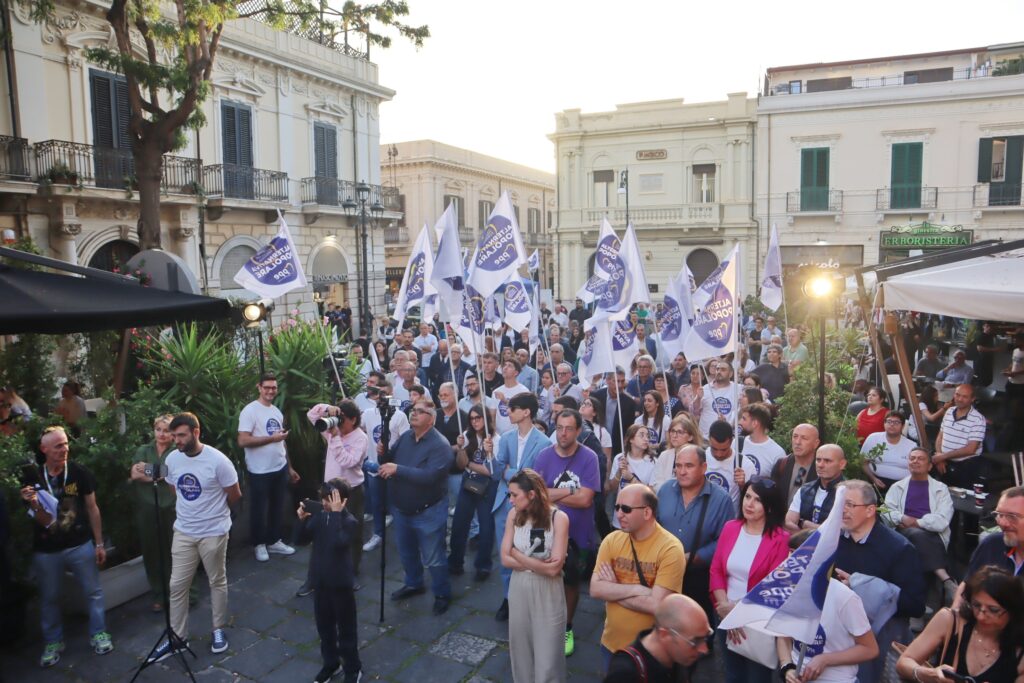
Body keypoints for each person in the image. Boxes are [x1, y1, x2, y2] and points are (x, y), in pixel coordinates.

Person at [146, 412, 241, 662]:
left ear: (196, 433)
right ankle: (178, 637)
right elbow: (173, 485)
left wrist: (216, 515)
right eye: (173, 435)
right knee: (177, 585)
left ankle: (218, 629)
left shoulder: (218, 461)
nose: (175, 440)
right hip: (184, 532)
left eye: (181, 435)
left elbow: (235, 494)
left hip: (213, 533)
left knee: (216, 581)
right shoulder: (173, 459)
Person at [21, 426, 113, 667]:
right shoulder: (33, 478)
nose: (65, 449)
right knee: (49, 598)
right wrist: (31, 502)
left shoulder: (79, 472)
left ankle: (99, 633)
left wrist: (99, 542)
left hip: (79, 544)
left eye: (66, 444)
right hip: (46, 549)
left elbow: (92, 508)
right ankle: (53, 641)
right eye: (58, 446)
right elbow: (37, 517)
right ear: (44, 449)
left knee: (93, 591)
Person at [834, 480, 926, 682]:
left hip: (879, 639)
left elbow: (915, 605)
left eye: (849, 504)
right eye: (839, 503)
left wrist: (865, 588)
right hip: (836, 636)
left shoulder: (899, 548)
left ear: (870, 510)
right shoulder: (833, 539)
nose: (842, 510)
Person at [591, 484, 686, 669]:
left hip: (652, 652)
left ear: (647, 512)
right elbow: (595, 589)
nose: (618, 514)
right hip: (612, 646)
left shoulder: (671, 548)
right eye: (617, 507)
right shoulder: (611, 540)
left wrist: (613, 590)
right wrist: (637, 589)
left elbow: (657, 606)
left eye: (626, 509)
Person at [533, 409, 602, 657]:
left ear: (578, 430)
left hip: (578, 533)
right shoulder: (543, 456)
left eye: (569, 428)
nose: (563, 433)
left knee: (571, 581)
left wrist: (552, 492)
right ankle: (543, 624)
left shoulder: (590, 457)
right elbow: (536, 495)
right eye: (559, 427)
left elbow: (586, 500)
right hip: (544, 529)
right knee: (540, 577)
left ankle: (567, 627)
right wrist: (572, 491)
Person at [378, 398, 454, 616]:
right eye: (413, 410)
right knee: (406, 551)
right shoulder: (406, 437)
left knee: (433, 556)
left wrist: (397, 469)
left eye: (420, 411)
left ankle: (442, 593)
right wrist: (383, 452)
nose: (414, 414)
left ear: (431, 419)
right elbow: (389, 460)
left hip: (428, 511)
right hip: (401, 509)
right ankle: (414, 583)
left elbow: (429, 476)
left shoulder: (440, 445)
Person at [711, 477, 790, 683]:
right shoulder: (730, 527)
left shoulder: (780, 539)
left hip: (756, 621)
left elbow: (772, 586)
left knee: (757, 678)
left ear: (770, 507)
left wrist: (737, 612)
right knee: (732, 675)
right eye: (747, 496)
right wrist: (725, 608)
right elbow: (716, 569)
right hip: (724, 612)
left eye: (757, 500)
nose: (749, 504)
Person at [775, 529, 878, 683]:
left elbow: (870, 649)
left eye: (801, 555)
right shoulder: (787, 589)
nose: (792, 560)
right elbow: (783, 635)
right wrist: (787, 666)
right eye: (791, 553)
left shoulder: (844, 597)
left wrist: (825, 659)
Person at [896, 565, 1024, 683]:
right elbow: (904, 661)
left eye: (993, 610)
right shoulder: (950, 620)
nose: (981, 615)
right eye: (976, 605)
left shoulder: (1019, 649)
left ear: (1013, 609)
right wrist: (929, 674)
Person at [501, 469, 570, 683]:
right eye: (509, 494)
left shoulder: (559, 518)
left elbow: (553, 570)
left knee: (548, 655)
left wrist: (516, 554)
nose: (510, 500)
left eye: (515, 495)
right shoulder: (513, 515)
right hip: (519, 587)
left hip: (548, 591)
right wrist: (536, 564)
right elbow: (504, 558)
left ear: (532, 494)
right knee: (521, 649)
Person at [657, 444, 734, 627]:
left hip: (700, 577)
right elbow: (655, 525)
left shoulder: (721, 499)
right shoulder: (665, 490)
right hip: (664, 573)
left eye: (689, 466)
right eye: (678, 465)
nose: (682, 471)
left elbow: (725, 543)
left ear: (704, 468)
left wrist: (693, 558)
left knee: (697, 631)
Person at [295, 479, 362, 683]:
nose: (325, 504)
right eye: (323, 499)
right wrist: (302, 520)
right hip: (321, 583)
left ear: (343, 501)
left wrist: (334, 515)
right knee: (325, 628)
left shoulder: (350, 522)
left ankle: (352, 667)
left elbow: (337, 543)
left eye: (330, 500)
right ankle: (331, 663)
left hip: (341, 584)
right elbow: (300, 540)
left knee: (346, 629)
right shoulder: (320, 516)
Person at [493, 393, 550, 621]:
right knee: (505, 553)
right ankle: (508, 598)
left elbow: (537, 477)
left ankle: (529, 599)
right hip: (505, 503)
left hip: (531, 507)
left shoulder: (544, 443)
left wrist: (512, 475)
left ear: (526, 412)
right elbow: (498, 469)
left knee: (530, 552)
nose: (508, 411)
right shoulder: (506, 438)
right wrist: (514, 475)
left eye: (513, 407)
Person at [882, 448, 957, 604]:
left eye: (920, 459)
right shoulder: (897, 487)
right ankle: (945, 578)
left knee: (917, 543)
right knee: (916, 536)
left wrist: (918, 522)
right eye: (912, 458)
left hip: (932, 534)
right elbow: (886, 512)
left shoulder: (941, 489)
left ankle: (918, 607)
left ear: (930, 466)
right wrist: (903, 517)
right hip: (903, 532)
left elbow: (942, 520)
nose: (915, 461)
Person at [304, 399, 367, 582]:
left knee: (352, 534)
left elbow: (348, 462)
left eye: (343, 419)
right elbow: (311, 415)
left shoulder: (360, 438)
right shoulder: (333, 429)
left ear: (354, 420)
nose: (339, 422)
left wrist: (335, 437)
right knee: (321, 532)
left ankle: (351, 572)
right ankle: (314, 577)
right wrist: (327, 408)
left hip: (351, 492)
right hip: (328, 491)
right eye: (337, 418)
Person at [237, 372, 298, 562]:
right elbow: (243, 440)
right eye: (267, 387)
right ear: (259, 387)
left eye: (274, 387)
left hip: (278, 468)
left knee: (277, 506)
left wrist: (289, 467)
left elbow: (282, 442)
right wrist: (272, 438)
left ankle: (274, 540)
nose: (271, 391)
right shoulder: (250, 411)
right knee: (258, 509)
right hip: (259, 470)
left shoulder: (275, 411)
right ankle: (259, 544)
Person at [129, 414, 185, 612]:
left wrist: (149, 470)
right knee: (152, 552)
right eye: (158, 429)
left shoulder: (178, 451)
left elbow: (170, 472)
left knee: (178, 551)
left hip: (172, 507)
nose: (162, 434)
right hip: (147, 508)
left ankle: (185, 593)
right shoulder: (143, 450)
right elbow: (135, 474)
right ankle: (159, 595)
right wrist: (158, 472)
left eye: (167, 430)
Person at [603, 593, 713, 683]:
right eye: (696, 641)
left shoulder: (682, 657)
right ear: (664, 635)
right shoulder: (624, 674)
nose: (704, 649)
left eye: (706, 637)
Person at [448, 404, 499, 582]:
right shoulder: (468, 437)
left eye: (478, 418)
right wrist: (461, 448)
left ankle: (483, 566)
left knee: (486, 528)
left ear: (486, 419)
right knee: (459, 524)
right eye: (472, 418)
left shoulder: (495, 439)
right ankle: (455, 562)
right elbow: (461, 464)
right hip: (468, 483)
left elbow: (490, 471)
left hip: (487, 486)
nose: (475, 421)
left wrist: (474, 461)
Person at [360, 383, 408, 553]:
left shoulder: (400, 416)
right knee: (376, 504)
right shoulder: (367, 414)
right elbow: (360, 430)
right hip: (374, 468)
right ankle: (378, 534)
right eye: (380, 395)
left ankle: (404, 537)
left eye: (387, 394)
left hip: (393, 469)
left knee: (396, 504)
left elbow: (405, 441)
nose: (383, 399)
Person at [963, 485, 1024, 584]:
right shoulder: (992, 544)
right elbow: (967, 584)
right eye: (1000, 514)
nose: (1003, 523)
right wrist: (957, 600)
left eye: (1012, 516)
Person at [933, 383, 987, 488]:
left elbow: (971, 449)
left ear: (972, 399)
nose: (959, 399)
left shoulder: (978, 419)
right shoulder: (949, 411)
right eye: (957, 395)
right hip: (944, 461)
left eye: (964, 396)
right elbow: (940, 436)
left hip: (965, 465)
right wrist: (939, 455)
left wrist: (942, 457)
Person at [785, 443, 845, 532]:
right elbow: (789, 523)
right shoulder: (805, 489)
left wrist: (805, 524)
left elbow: (844, 531)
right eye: (818, 460)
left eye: (827, 461)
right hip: (802, 544)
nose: (820, 465)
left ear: (842, 464)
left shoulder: (849, 493)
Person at [607, 425, 659, 528]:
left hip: (640, 520)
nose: (646, 439)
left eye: (647, 436)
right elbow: (612, 488)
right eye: (642, 435)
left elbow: (652, 493)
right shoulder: (620, 458)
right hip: (619, 519)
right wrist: (619, 472)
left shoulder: (652, 462)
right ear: (631, 439)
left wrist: (631, 478)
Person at [705, 421, 756, 512]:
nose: (719, 454)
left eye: (723, 450)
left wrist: (743, 486)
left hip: (730, 520)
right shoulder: (699, 458)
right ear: (709, 439)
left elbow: (755, 500)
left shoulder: (744, 464)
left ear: (732, 441)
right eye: (714, 449)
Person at [861, 411, 915, 491]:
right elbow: (863, 462)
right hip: (874, 481)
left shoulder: (911, 445)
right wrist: (873, 479)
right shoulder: (873, 438)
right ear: (884, 424)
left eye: (896, 422)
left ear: (903, 426)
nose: (892, 424)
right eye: (889, 421)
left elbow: (915, 470)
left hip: (902, 486)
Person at [591, 368, 639, 457]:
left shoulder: (629, 403)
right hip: (597, 445)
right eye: (616, 381)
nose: (620, 385)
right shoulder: (596, 396)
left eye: (622, 381)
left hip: (617, 449)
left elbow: (629, 429)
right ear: (608, 381)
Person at [771, 423, 820, 505]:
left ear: (816, 443)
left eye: (804, 438)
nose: (798, 442)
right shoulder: (782, 464)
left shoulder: (821, 468)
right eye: (795, 436)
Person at [651, 414, 702, 491]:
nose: (674, 435)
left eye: (680, 432)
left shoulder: (698, 456)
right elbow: (655, 484)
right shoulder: (664, 455)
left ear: (690, 437)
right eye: (672, 431)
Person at [737, 403, 785, 477]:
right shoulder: (737, 443)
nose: (740, 422)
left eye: (744, 419)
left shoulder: (777, 453)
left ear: (755, 423)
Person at [699, 360, 740, 439]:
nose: (719, 371)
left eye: (723, 369)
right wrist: (698, 398)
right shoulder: (705, 389)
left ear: (731, 374)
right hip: (705, 438)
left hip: (727, 437)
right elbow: (695, 411)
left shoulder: (738, 389)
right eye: (717, 369)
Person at [494, 358, 531, 434]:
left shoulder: (523, 391)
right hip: (499, 435)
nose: (505, 368)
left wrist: (505, 400)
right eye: (504, 365)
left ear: (516, 373)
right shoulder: (496, 391)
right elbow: (492, 414)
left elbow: (524, 413)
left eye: (509, 366)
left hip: (516, 434)